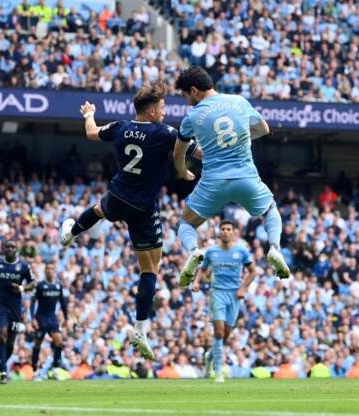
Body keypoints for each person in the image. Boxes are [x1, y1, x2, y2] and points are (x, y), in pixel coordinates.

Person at [59, 80, 200, 360]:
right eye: (161, 107)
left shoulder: (120, 126)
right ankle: (140, 329)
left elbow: (90, 133)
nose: (164, 111)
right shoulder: (164, 132)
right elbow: (196, 151)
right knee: (150, 270)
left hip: (119, 196)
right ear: (150, 111)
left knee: (99, 209)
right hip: (144, 207)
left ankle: (71, 233)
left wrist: (89, 113)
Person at [173, 66, 290, 286]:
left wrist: (182, 170)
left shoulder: (192, 116)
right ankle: (274, 248)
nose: (186, 101)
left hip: (213, 182)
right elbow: (263, 128)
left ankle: (194, 251)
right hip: (246, 178)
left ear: (194, 90)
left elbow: (179, 152)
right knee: (271, 211)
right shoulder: (239, 101)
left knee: (185, 224)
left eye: (185, 95)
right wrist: (239, 140)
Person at [191, 220, 256, 383]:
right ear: (219, 232)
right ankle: (218, 372)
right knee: (218, 332)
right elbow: (203, 269)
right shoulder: (212, 251)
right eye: (223, 229)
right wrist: (197, 281)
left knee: (225, 336)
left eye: (228, 229)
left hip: (234, 295)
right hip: (217, 293)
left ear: (234, 232)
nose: (225, 231)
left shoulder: (241, 251)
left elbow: (253, 272)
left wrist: (243, 288)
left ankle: (209, 357)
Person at [0, 240, 35, 384]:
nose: (9, 248)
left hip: (15, 306)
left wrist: (21, 288)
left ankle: (2, 364)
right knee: (1, 335)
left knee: (10, 341)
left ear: (17, 249)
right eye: (7, 246)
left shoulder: (23, 266)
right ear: (3, 249)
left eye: (12, 246)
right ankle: (2, 372)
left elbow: (33, 283)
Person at [30, 262, 67, 379]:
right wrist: (32, 318)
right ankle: (35, 371)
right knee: (37, 345)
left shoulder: (58, 286)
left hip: (52, 318)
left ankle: (55, 369)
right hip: (41, 318)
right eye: (48, 269)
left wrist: (66, 318)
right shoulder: (40, 286)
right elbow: (32, 302)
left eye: (52, 268)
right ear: (45, 271)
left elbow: (63, 302)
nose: (50, 270)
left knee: (59, 343)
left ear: (54, 270)